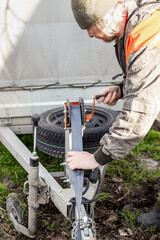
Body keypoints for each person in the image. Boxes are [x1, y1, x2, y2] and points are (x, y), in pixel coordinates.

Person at [66, 0, 160, 229]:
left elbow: (138, 114)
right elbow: (149, 78)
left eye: (92, 26)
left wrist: (95, 158)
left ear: (111, 15)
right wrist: (122, 88)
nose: (89, 34)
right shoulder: (139, 23)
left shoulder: (145, 35)